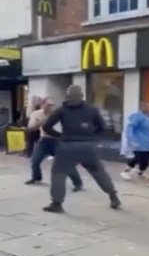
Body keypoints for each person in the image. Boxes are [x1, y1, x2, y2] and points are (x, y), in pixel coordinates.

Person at [42, 85, 121, 213]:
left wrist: (60, 136)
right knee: (99, 172)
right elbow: (102, 127)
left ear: (67, 96)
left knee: (58, 174)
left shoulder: (61, 110)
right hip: (88, 146)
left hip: (68, 146)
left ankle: (57, 203)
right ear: (82, 96)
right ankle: (113, 196)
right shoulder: (92, 110)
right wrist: (91, 136)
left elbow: (46, 127)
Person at [25, 98, 83, 191]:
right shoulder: (36, 114)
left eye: (52, 105)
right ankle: (36, 177)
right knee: (35, 160)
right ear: (42, 105)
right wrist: (40, 123)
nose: (51, 107)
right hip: (44, 140)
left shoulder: (58, 114)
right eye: (49, 105)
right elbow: (30, 128)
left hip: (57, 141)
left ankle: (78, 183)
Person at [121, 102, 149, 180]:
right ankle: (126, 171)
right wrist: (131, 139)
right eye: (148, 107)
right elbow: (130, 128)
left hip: (148, 142)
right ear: (143, 108)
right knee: (138, 158)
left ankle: (141, 172)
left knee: (145, 159)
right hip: (138, 141)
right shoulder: (137, 117)